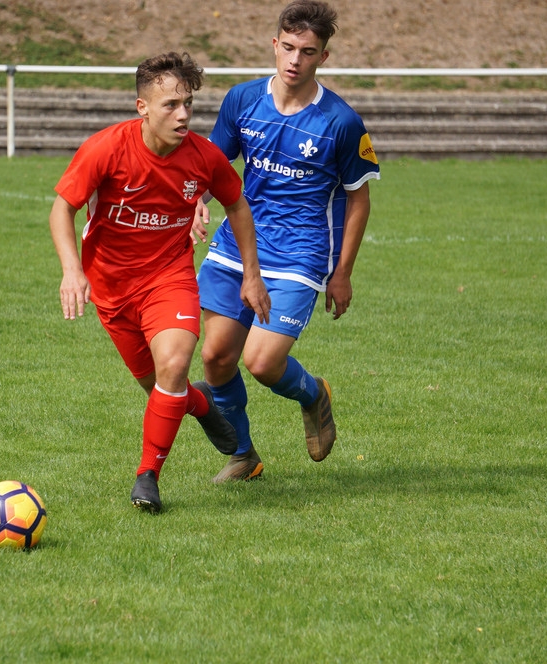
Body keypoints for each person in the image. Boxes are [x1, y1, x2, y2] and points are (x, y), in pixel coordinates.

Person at [49, 52, 271, 513]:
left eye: (188, 103)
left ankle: (147, 477)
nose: (184, 114)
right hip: (111, 291)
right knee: (161, 391)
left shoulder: (204, 157)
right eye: (170, 104)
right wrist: (72, 270)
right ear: (142, 107)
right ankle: (204, 406)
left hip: (169, 280)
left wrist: (252, 275)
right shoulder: (105, 149)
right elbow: (62, 209)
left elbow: (238, 205)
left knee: (173, 367)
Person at [196, 0, 380, 482]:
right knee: (215, 358)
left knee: (260, 361)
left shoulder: (341, 121)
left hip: (300, 253)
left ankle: (313, 394)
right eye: (290, 47)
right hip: (238, 245)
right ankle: (243, 456)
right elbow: (212, 167)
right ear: (275, 45)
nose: (296, 59)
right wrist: (196, 201)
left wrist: (342, 273)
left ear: (324, 57)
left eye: (309, 51)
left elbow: (358, 202)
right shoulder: (242, 99)